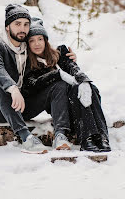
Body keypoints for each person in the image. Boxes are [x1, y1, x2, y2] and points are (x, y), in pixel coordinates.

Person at [0, 4, 76, 153]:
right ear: (7, 27)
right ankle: (26, 138)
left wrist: (68, 59)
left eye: (26, 24)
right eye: (17, 24)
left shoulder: (27, 46)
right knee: (2, 88)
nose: (22, 28)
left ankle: (61, 134)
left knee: (59, 85)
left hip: (22, 104)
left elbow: (47, 55)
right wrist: (12, 88)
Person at [21, 17, 111, 152]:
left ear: (45, 40)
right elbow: (32, 85)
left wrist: (84, 81)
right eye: (32, 40)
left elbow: (74, 68)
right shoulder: (29, 63)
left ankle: (102, 137)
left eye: (40, 39)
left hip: (79, 103)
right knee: (68, 88)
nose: (37, 44)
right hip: (62, 110)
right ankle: (87, 138)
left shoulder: (60, 53)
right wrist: (58, 74)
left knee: (90, 88)